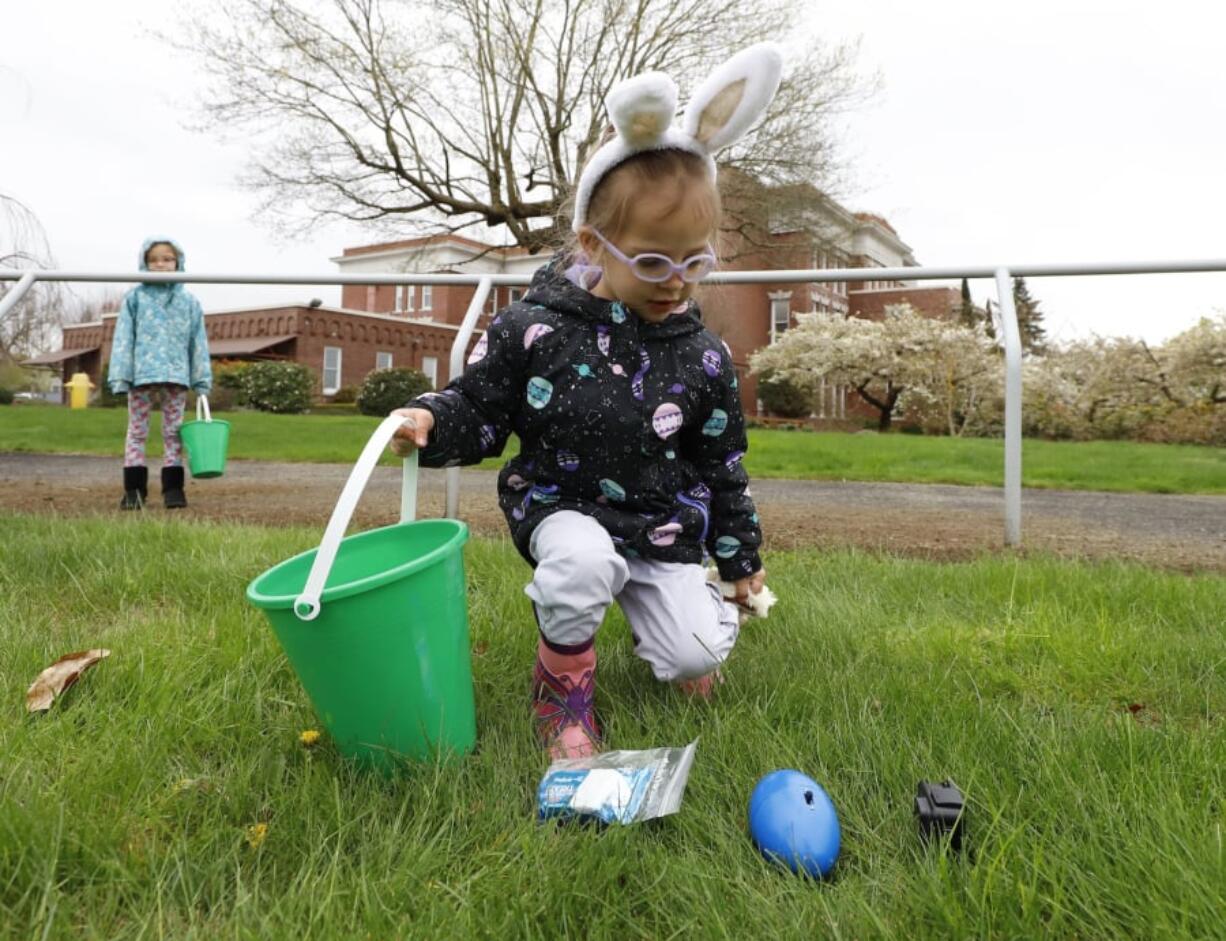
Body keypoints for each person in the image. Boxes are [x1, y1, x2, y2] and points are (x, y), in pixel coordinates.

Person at [390, 44, 783, 759]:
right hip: (564, 505)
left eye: (695, 262)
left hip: (662, 525)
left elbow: (722, 466)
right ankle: (563, 693)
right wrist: (430, 419)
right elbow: (480, 404)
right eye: (655, 262)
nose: (677, 283)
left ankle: (674, 627)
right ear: (594, 244)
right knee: (581, 564)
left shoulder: (702, 356)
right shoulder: (534, 327)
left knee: (696, 652)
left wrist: (739, 556)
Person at [107, 237, 212, 509]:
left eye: (167, 259)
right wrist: (121, 375)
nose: (160, 264)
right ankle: (134, 491)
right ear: (144, 263)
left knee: (173, 432)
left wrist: (201, 379)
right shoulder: (135, 298)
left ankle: (173, 489)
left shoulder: (188, 301)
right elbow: (123, 338)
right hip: (142, 376)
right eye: (153, 260)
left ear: (178, 262)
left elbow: (197, 341)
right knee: (137, 431)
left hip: (176, 376)